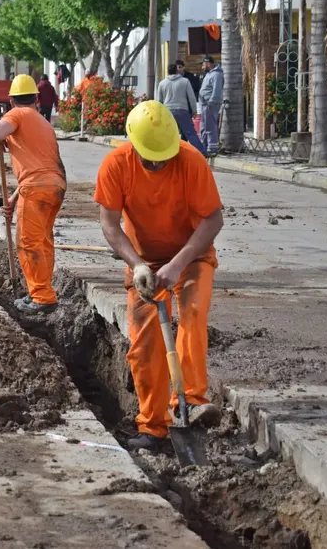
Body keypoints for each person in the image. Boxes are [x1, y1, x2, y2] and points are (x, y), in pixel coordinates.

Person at [94, 100, 224, 450]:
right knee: (144, 344)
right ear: (133, 143)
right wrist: (137, 264)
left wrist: (179, 264)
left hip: (192, 256)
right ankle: (153, 426)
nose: (158, 164)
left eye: (164, 157)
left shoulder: (191, 161)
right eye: (150, 158)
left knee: (192, 314)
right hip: (144, 263)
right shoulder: (116, 165)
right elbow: (110, 224)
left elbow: (213, 219)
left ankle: (191, 401)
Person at [0, 74, 67, 314]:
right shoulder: (44, 123)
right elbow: (39, 171)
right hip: (55, 186)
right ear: (36, 98)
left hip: (36, 188)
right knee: (43, 241)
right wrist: (12, 200)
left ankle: (42, 297)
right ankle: (43, 291)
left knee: (28, 243)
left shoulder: (17, 114)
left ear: (12, 101)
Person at [157, 64, 205, 155]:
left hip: (168, 112)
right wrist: (194, 111)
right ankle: (201, 152)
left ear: (167, 72)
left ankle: (165, 152)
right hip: (182, 111)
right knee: (191, 133)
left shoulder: (162, 83)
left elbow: (159, 101)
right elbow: (192, 97)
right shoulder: (185, 81)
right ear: (177, 71)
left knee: (167, 134)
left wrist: (159, 114)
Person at [198, 55, 224, 156]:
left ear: (208, 64)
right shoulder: (209, 74)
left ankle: (212, 148)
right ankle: (204, 146)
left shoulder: (216, 75)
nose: (202, 67)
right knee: (204, 127)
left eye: (203, 65)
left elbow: (217, 90)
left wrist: (211, 102)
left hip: (210, 104)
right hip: (205, 104)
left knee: (210, 126)